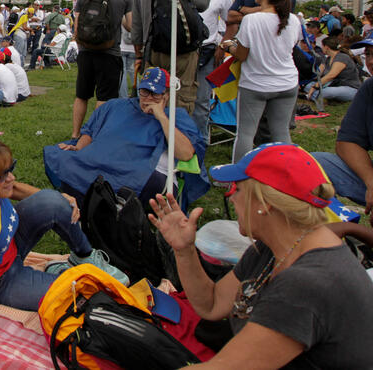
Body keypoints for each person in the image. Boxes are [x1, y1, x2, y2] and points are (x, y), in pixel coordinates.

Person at [150, 143, 373, 368]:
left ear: (264, 203)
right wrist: (184, 251)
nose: (231, 198)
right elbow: (213, 304)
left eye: (237, 189)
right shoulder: (275, 247)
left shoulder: (307, 283)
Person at [0, 131, 125, 348]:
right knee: (79, 293)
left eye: (10, 169)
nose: (11, 178)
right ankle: (60, 275)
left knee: (54, 201)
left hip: (12, 246)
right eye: (2, 175)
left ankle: (83, 257)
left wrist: (59, 199)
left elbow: (15, 189)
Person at [44, 67, 207, 206]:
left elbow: (185, 153)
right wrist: (78, 148)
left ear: (167, 95)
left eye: (155, 94)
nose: (148, 99)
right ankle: (87, 206)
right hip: (103, 160)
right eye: (144, 92)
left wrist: (162, 117)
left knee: (137, 180)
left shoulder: (176, 116)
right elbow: (91, 131)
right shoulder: (115, 106)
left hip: (137, 169)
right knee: (61, 156)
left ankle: (106, 208)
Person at [221, 0, 301, 161]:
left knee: (246, 134)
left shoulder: (252, 20)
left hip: (255, 84)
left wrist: (228, 46)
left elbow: (242, 55)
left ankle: (239, 174)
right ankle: (287, 171)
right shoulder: (294, 20)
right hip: (287, 83)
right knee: (281, 131)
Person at [312, 39, 373, 208]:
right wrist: (370, 181)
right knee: (315, 163)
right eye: (368, 54)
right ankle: (334, 221)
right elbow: (347, 142)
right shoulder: (369, 88)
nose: (371, 61)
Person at [131, 0, 210, 114]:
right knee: (180, 100)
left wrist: (139, 54)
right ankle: (174, 126)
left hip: (152, 48)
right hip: (183, 51)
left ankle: (154, 125)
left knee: (150, 98)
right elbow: (202, 2)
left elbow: (136, 22)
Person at [71, 0, 133, 139]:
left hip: (85, 51)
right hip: (109, 52)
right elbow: (130, 26)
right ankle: (96, 135)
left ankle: (75, 133)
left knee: (81, 96)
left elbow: (77, 28)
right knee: (104, 97)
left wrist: (82, 47)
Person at [193, 0, 233, 139]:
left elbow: (231, 23)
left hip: (208, 51)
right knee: (180, 98)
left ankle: (200, 141)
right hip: (183, 52)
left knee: (202, 99)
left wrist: (222, 46)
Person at [303, 35, 363, 103]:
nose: (321, 48)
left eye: (322, 46)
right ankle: (317, 96)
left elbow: (331, 75)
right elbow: (318, 73)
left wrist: (315, 86)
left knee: (325, 91)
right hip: (333, 85)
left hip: (349, 88)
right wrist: (305, 82)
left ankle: (313, 95)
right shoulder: (327, 59)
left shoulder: (342, 57)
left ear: (326, 47)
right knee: (308, 86)